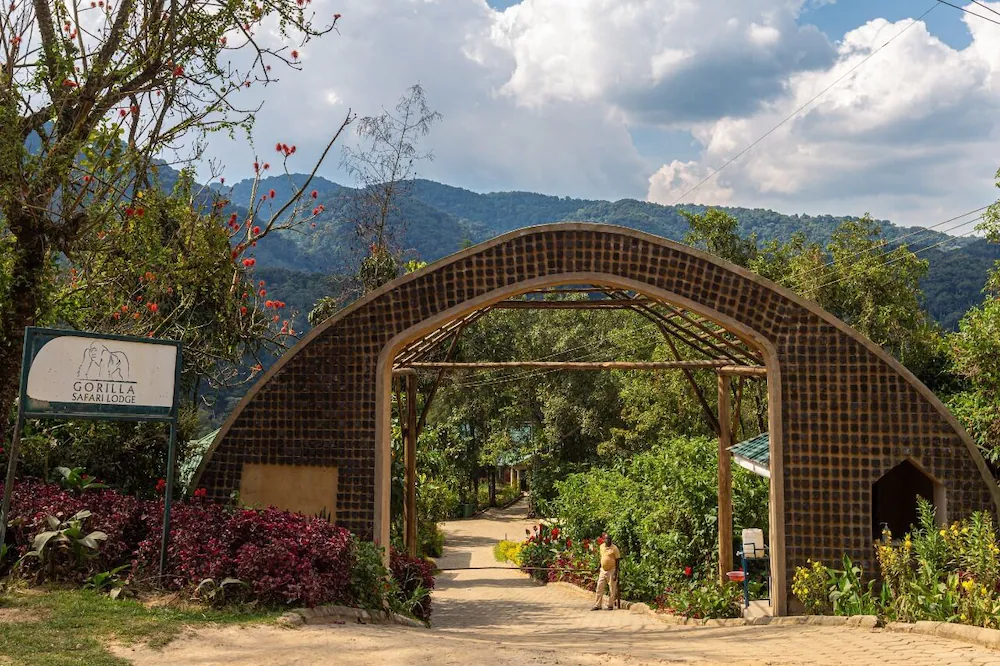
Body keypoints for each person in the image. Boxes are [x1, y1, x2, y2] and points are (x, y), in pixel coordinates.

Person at [591, 533, 621, 611]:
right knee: (599, 587)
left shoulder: (614, 548)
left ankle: (610, 605)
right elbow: (602, 558)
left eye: (609, 539)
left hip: (612, 570)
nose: (608, 540)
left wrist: (615, 573)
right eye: (606, 539)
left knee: (612, 589)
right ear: (604, 540)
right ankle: (598, 605)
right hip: (603, 570)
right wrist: (598, 568)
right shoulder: (601, 547)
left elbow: (617, 561)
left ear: (611, 540)